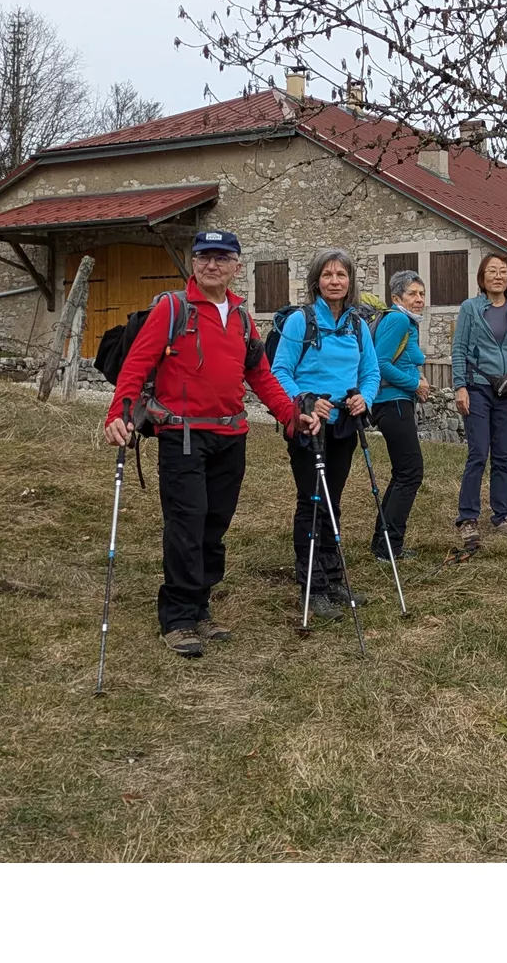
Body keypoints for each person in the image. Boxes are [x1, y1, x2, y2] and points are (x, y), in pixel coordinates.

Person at [104, 229, 307, 658]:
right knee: (186, 524)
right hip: (182, 435)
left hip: (231, 436)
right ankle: (178, 618)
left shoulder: (242, 318)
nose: (211, 264)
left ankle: (200, 606)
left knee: (214, 525)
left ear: (236, 266)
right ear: (193, 262)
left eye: (221, 257)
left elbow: (261, 375)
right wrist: (118, 413)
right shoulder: (173, 309)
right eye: (203, 257)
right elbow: (137, 364)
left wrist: (289, 415)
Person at [270, 249, 383, 621]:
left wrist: (364, 398)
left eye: (341, 275)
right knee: (312, 501)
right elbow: (280, 371)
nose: (335, 281)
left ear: (350, 281)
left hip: (344, 426)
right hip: (309, 426)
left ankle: (333, 579)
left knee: (332, 500)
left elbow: (370, 372)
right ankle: (312, 585)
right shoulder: (300, 322)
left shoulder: (357, 325)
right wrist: (305, 402)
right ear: (316, 281)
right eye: (328, 275)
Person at [448, 253, 507, 559]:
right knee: (478, 453)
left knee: (503, 455)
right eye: (492, 271)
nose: (498, 276)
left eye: (503, 271)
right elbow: (459, 348)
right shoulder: (470, 308)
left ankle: (503, 516)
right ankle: (468, 518)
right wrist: (460, 386)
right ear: (482, 277)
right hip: (477, 387)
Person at [368, 269, 430, 563]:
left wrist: (416, 379)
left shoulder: (405, 321)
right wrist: (414, 384)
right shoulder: (398, 320)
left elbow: (401, 360)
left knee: (403, 472)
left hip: (395, 402)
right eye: (412, 294)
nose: (419, 299)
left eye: (422, 293)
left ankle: (383, 542)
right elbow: (380, 364)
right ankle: (389, 547)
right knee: (411, 472)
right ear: (396, 298)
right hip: (391, 403)